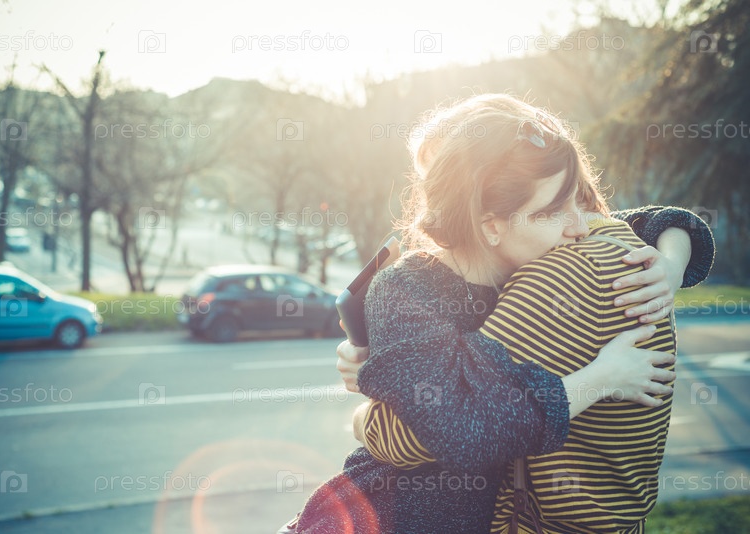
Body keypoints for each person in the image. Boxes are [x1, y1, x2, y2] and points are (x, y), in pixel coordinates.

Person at [285, 94, 714, 534]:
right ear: (490, 223)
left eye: (575, 200)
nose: (580, 225)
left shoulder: (534, 242)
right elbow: (461, 427)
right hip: (406, 513)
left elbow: (661, 220)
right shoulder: (409, 289)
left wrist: (671, 263)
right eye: (555, 210)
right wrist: (602, 379)